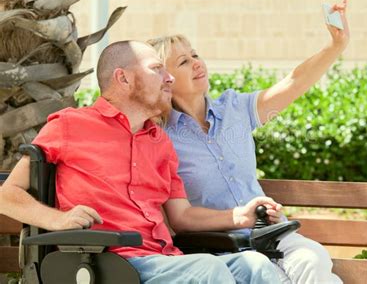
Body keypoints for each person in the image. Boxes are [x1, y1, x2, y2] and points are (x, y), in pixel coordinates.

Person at [0, 41, 284, 284]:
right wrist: (57, 219)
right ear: (123, 79)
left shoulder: (160, 142)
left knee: (255, 265)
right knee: (206, 271)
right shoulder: (71, 125)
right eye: (156, 69)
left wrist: (238, 218)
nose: (169, 78)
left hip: (164, 261)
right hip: (109, 264)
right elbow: (6, 195)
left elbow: (181, 216)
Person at [149, 0, 350, 283]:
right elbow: (180, 217)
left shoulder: (235, 109)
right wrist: (237, 216)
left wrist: (336, 46)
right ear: (165, 80)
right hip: (217, 247)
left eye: (195, 54)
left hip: (272, 232)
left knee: (313, 259)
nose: (197, 63)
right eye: (184, 61)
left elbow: (293, 82)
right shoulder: (160, 138)